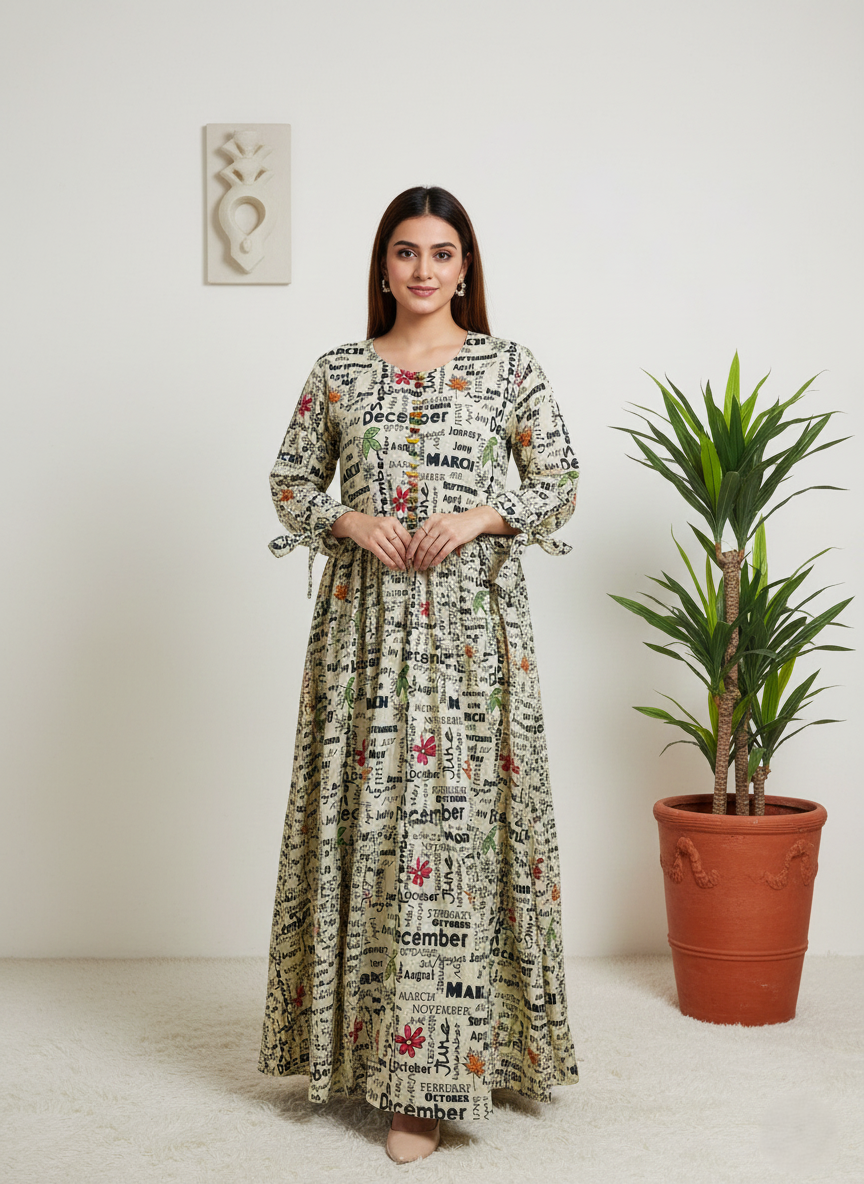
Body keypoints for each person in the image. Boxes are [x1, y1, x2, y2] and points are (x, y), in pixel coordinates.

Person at [258, 185, 580, 1163]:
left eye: (443, 253)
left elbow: (559, 481)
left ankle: (430, 1085)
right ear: (384, 265)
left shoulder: (506, 364)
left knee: (449, 840)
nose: (425, 269)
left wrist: (482, 514)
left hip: (470, 640)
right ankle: (357, 1056)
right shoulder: (339, 371)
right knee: (374, 832)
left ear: (466, 267)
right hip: (362, 639)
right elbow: (288, 480)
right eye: (407, 252)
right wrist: (345, 518)